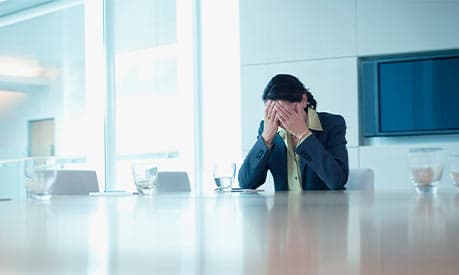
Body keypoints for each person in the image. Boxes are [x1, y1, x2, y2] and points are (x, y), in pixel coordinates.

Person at [238, 74, 349, 191]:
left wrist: (304, 135)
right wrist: (266, 139)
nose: (279, 119)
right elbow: (246, 183)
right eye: (272, 112)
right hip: (282, 208)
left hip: (322, 207)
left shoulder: (332, 124)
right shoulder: (267, 128)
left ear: (303, 100)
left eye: (284, 112)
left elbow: (337, 180)